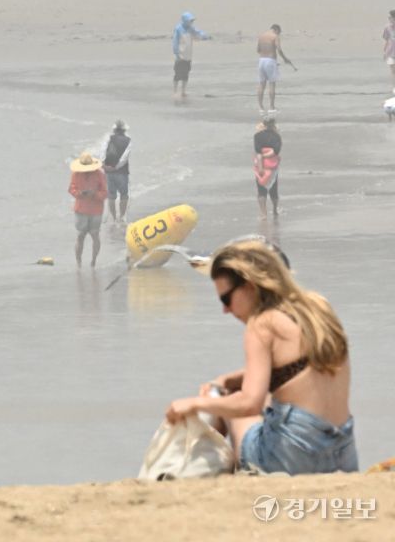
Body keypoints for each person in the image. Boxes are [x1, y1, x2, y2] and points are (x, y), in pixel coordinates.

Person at [165, 239, 358, 476]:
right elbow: (302, 368)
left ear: (249, 286)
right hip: (343, 454)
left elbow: (249, 404)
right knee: (248, 397)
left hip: (295, 457)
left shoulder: (262, 324)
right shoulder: (318, 308)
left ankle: (197, 472)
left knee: (227, 404)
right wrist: (230, 378)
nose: (225, 310)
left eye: (226, 299)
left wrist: (195, 403)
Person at [68, 152, 107, 267]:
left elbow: (105, 193)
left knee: (95, 235)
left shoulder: (99, 174)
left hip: (96, 210)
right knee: (80, 236)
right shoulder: (75, 174)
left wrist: (94, 194)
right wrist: (80, 193)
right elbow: (71, 189)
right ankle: (78, 262)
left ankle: (93, 261)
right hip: (81, 210)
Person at [172, 11, 210, 103]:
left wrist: (204, 36)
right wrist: (176, 53)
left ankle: (183, 91)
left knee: (186, 73)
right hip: (180, 56)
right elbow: (175, 42)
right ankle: (175, 91)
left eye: (192, 21)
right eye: (190, 20)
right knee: (178, 74)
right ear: (185, 20)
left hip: (188, 55)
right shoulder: (178, 29)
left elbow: (198, 32)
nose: (191, 22)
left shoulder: (190, 28)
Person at [257, 24, 294, 115]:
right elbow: (279, 49)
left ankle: (261, 108)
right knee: (272, 84)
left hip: (261, 60)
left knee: (261, 84)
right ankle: (271, 107)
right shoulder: (275, 36)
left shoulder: (261, 36)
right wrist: (285, 59)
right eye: (279, 32)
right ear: (276, 30)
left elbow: (258, 50)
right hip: (270, 60)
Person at [101, 120, 131, 224]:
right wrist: (116, 167)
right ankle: (122, 217)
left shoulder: (108, 138)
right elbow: (124, 158)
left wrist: (104, 165)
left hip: (108, 171)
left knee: (111, 195)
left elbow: (103, 152)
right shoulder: (128, 140)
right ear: (124, 130)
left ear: (114, 130)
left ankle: (113, 218)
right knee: (124, 195)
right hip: (121, 172)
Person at [254, 115, 282, 220]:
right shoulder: (277, 136)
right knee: (274, 189)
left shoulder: (257, 136)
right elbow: (276, 151)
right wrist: (268, 154)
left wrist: (260, 165)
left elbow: (258, 151)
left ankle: (263, 213)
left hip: (261, 164)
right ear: (273, 124)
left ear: (264, 124)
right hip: (273, 165)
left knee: (261, 190)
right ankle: (274, 210)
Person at [382, 9, 395, 94]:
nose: (390, 19)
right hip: (391, 52)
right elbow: (387, 40)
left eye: (391, 18)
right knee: (393, 71)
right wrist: (385, 52)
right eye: (389, 18)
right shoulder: (387, 28)